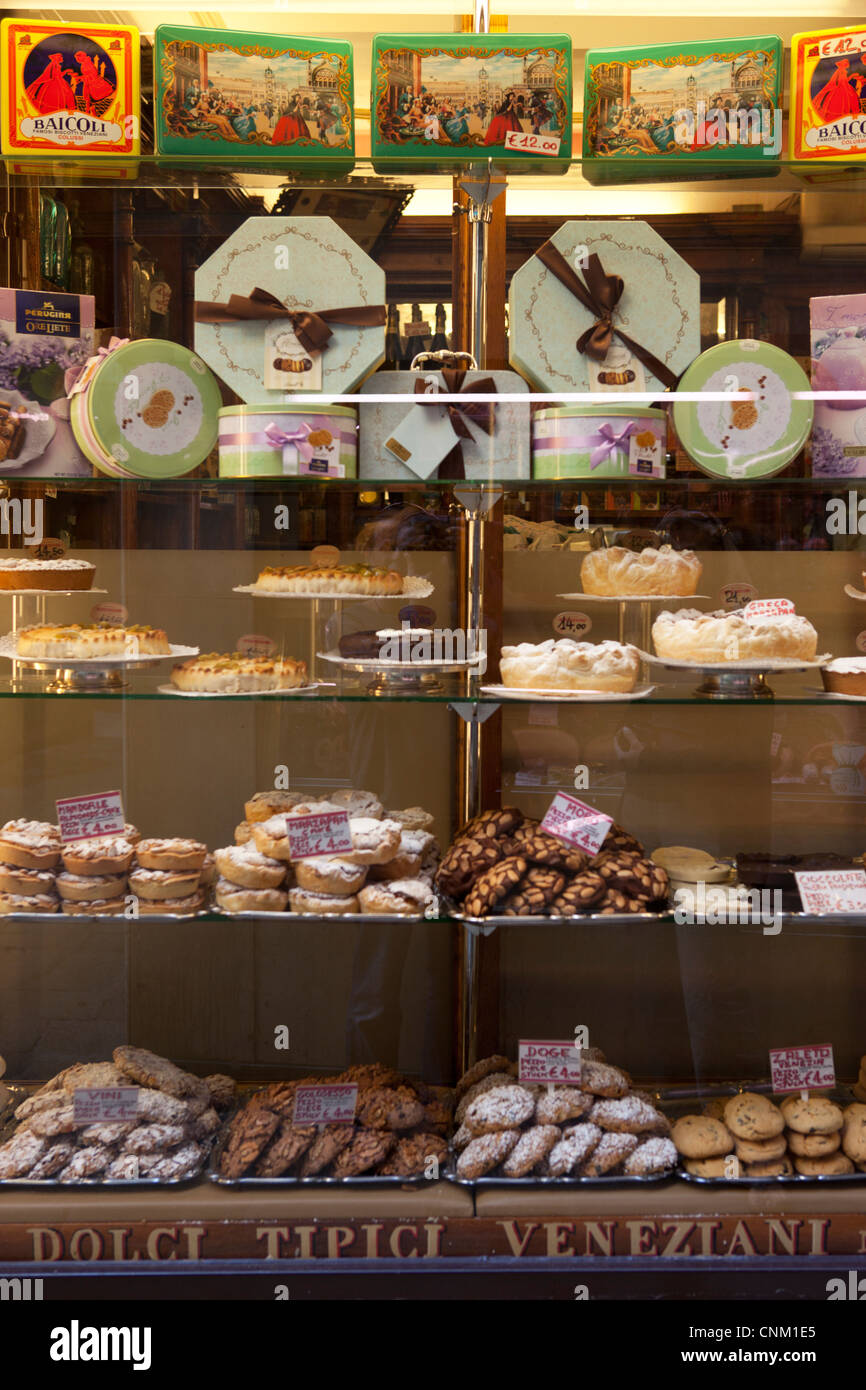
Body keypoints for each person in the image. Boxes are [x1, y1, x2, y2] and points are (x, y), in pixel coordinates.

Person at [73, 50, 115, 114]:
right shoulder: (85, 63)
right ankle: (91, 112)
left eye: (78, 58)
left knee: (89, 99)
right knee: (89, 99)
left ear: (83, 56)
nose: (77, 60)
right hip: (88, 82)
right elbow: (88, 74)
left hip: (93, 83)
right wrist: (81, 79)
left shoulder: (87, 63)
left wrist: (81, 78)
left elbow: (93, 74)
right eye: (76, 58)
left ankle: (88, 112)